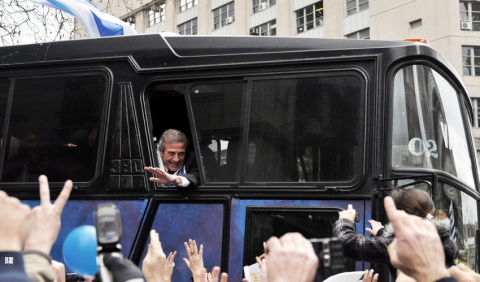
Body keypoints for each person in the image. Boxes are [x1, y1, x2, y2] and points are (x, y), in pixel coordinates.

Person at [334, 188, 458, 278]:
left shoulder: (406, 245)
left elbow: (345, 243)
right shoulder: (442, 239)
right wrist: (383, 232)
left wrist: (345, 220)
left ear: (402, 214)